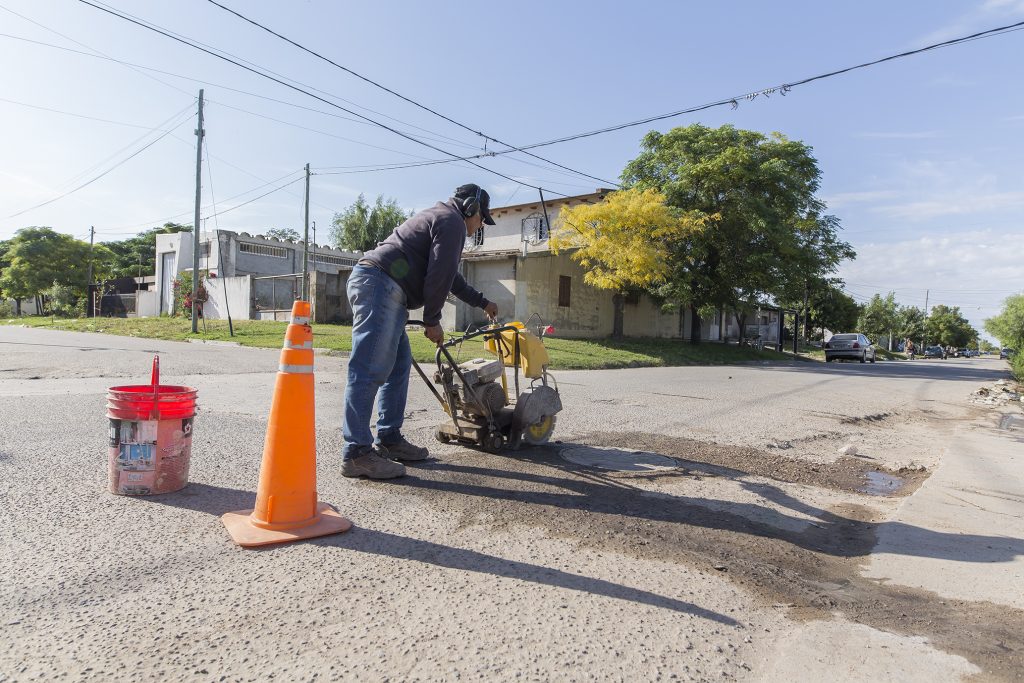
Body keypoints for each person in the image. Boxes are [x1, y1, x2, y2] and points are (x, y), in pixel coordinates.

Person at [341, 184, 499, 479]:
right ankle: (356, 453)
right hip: (379, 284)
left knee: (399, 367)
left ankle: (389, 439)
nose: (479, 226)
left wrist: (483, 303)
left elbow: (449, 277)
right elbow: (439, 275)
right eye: (481, 219)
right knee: (368, 369)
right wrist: (432, 320)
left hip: (384, 287)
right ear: (471, 208)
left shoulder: (443, 218)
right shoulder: (452, 222)